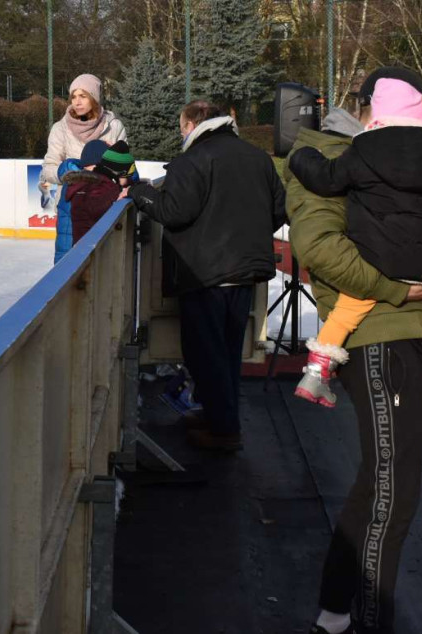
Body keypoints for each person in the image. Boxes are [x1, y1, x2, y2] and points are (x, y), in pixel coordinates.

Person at [283, 67, 422, 634]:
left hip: (409, 329)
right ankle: (370, 621)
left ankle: (336, 613)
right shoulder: (328, 158)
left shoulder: (388, 155)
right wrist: (397, 287)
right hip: (377, 333)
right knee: (394, 486)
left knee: (378, 481)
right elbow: (318, 248)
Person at [288, 76, 422, 408]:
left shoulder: (362, 151)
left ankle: (316, 372)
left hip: (377, 257)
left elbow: (327, 178)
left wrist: (301, 157)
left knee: (345, 313)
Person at [126, 101, 286, 452]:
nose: (181, 134)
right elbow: (278, 211)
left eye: (182, 127)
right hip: (245, 272)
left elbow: (172, 211)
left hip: (205, 273)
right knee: (227, 353)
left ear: (192, 125)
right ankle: (220, 418)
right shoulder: (257, 157)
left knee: (205, 354)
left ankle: (225, 430)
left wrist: (139, 193)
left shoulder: (192, 160)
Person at [40, 74, 128, 262]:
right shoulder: (60, 129)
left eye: (83, 96)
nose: (77, 102)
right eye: (73, 96)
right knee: (67, 262)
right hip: (70, 205)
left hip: (105, 203)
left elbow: (124, 166)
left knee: (104, 264)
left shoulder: (114, 127)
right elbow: (48, 169)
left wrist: (105, 167)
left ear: (94, 98)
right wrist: (68, 171)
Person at [66, 140, 136, 244]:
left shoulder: (97, 182)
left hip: (89, 246)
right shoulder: (92, 185)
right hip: (90, 249)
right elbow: (95, 208)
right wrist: (117, 192)